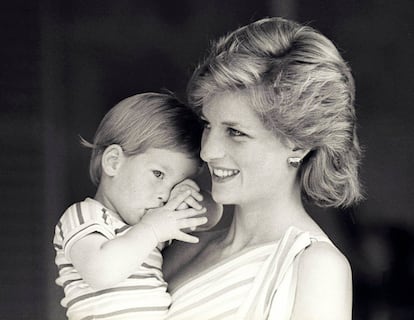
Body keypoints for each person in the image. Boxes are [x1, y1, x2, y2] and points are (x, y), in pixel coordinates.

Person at [163, 17, 363, 320]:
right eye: (207, 124)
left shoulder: (315, 267)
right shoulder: (184, 245)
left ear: (297, 143)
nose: (207, 151)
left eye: (235, 132)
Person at [53, 92, 222, 320]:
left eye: (177, 184)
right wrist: (152, 230)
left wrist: (190, 196)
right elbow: (101, 272)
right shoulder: (84, 217)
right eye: (158, 174)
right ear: (114, 162)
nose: (165, 195)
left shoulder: (153, 223)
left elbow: (210, 217)